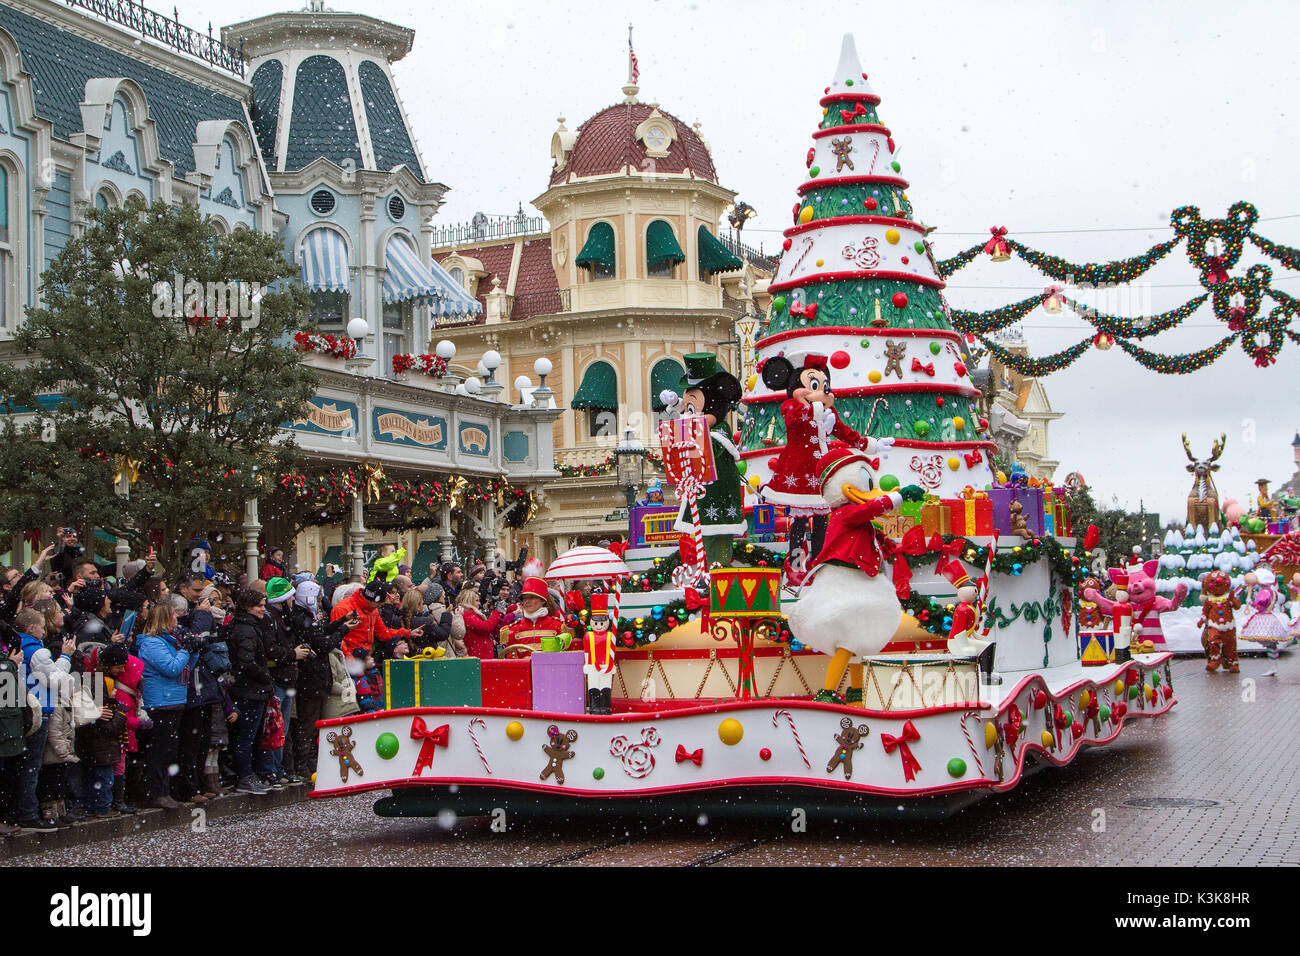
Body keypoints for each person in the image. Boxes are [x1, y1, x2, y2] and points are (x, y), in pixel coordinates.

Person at [136, 602, 206, 809]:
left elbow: (185, 666)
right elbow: (171, 668)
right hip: (159, 702)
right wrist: (186, 650)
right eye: (173, 616)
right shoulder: (152, 643)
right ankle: (157, 792)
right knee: (159, 750)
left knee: (169, 749)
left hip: (175, 700)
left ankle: (165, 790)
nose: (177, 619)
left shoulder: (170, 642)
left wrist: (193, 651)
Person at [288, 579, 357, 782]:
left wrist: (340, 621)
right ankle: (304, 764)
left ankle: (309, 763)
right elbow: (322, 643)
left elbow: (321, 634)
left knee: (312, 724)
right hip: (310, 680)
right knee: (307, 724)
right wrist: (343, 630)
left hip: (315, 679)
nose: (319, 602)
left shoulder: (305, 617)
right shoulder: (302, 619)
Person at [226, 589, 274, 795]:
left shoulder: (243, 626)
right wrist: (264, 676)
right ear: (248, 607)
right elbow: (246, 661)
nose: (263, 609)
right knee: (247, 736)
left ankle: (246, 774)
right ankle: (245, 776)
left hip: (247, 688)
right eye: (259, 606)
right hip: (249, 690)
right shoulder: (247, 629)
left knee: (247, 736)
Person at [330, 579, 422, 669]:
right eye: (379, 603)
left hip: (365, 661)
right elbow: (339, 640)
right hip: (348, 663)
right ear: (371, 600)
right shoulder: (342, 609)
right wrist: (351, 661)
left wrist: (408, 633)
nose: (380, 606)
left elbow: (383, 633)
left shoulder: (373, 609)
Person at [74, 663, 126, 818]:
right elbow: (111, 729)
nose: (115, 691)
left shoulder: (92, 708)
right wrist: (121, 714)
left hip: (94, 752)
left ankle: (92, 806)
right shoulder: (102, 709)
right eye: (112, 689)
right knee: (104, 781)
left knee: (94, 780)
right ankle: (103, 808)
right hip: (104, 753)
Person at [504, 577, 567, 650]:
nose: (527, 601)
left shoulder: (558, 626)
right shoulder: (514, 628)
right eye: (524, 598)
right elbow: (510, 657)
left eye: (532, 598)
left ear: (543, 601)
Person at [457, 587, 510, 660]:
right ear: (469, 601)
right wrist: (497, 612)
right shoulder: (467, 615)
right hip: (478, 656)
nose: (479, 603)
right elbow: (486, 627)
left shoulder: (471, 615)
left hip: (479, 655)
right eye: (477, 600)